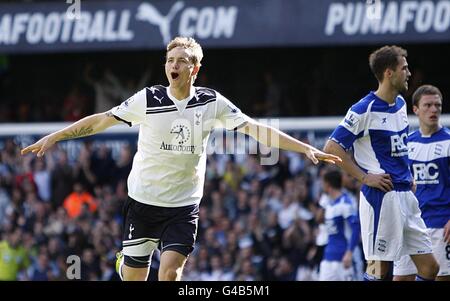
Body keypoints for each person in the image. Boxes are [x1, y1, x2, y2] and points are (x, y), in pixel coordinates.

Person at [21, 36, 341, 281]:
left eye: (181, 60)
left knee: (170, 274)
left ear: (194, 69)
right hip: (144, 201)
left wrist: (305, 148)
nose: (173, 64)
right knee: (134, 275)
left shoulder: (210, 102)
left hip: (183, 206)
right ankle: (125, 263)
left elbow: (256, 129)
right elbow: (101, 120)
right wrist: (57, 135)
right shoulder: (148, 99)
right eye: (169, 59)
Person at [323, 45, 439, 281]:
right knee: (379, 271)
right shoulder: (363, 109)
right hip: (381, 197)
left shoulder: (400, 105)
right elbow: (331, 148)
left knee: (429, 268)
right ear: (389, 73)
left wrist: (408, 175)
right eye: (404, 68)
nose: (408, 73)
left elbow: (398, 147)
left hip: (406, 194)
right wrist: (365, 177)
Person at [393, 85, 450, 281]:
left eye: (437, 105)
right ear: (415, 109)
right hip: (411, 223)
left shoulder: (449, 142)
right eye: (427, 105)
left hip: (441, 224)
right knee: (401, 278)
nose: (433, 110)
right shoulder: (406, 143)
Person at [318, 169, 360, 281]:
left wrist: (349, 253)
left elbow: (356, 229)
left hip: (344, 258)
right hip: (328, 258)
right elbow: (319, 220)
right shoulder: (329, 204)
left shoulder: (345, 204)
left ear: (327, 184)